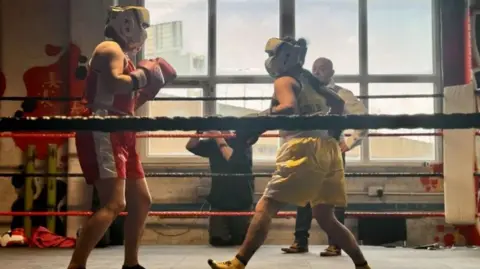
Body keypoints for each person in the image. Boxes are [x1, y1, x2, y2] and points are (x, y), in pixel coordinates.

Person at [207, 37, 371, 269]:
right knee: (326, 217)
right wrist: (330, 131)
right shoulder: (310, 79)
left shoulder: (284, 80)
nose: (269, 61)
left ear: (282, 57)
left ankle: (238, 263)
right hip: (329, 149)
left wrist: (255, 119)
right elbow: (336, 103)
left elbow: (287, 108)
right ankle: (362, 265)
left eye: (271, 56)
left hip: (303, 147)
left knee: (266, 206)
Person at [68, 6, 177, 269]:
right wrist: (146, 75)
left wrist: (150, 88)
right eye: (144, 27)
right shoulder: (109, 49)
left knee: (141, 201)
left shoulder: (124, 55)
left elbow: (127, 99)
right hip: (104, 129)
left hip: (122, 128)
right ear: (128, 24)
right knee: (114, 203)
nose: (144, 34)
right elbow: (118, 83)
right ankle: (76, 265)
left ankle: (131, 264)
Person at [281, 57, 367, 257]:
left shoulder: (342, 94)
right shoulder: (304, 94)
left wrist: (351, 141)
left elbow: (363, 118)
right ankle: (300, 241)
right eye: (314, 68)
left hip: (331, 151)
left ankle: (336, 244)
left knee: (332, 198)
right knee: (302, 195)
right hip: (307, 150)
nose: (317, 72)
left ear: (331, 72)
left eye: (322, 69)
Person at [185, 129, 254, 246]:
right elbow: (191, 146)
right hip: (219, 198)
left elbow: (232, 160)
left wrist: (218, 137)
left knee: (241, 241)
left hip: (241, 198)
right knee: (218, 241)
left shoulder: (241, 140)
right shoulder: (212, 144)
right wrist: (199, 131)